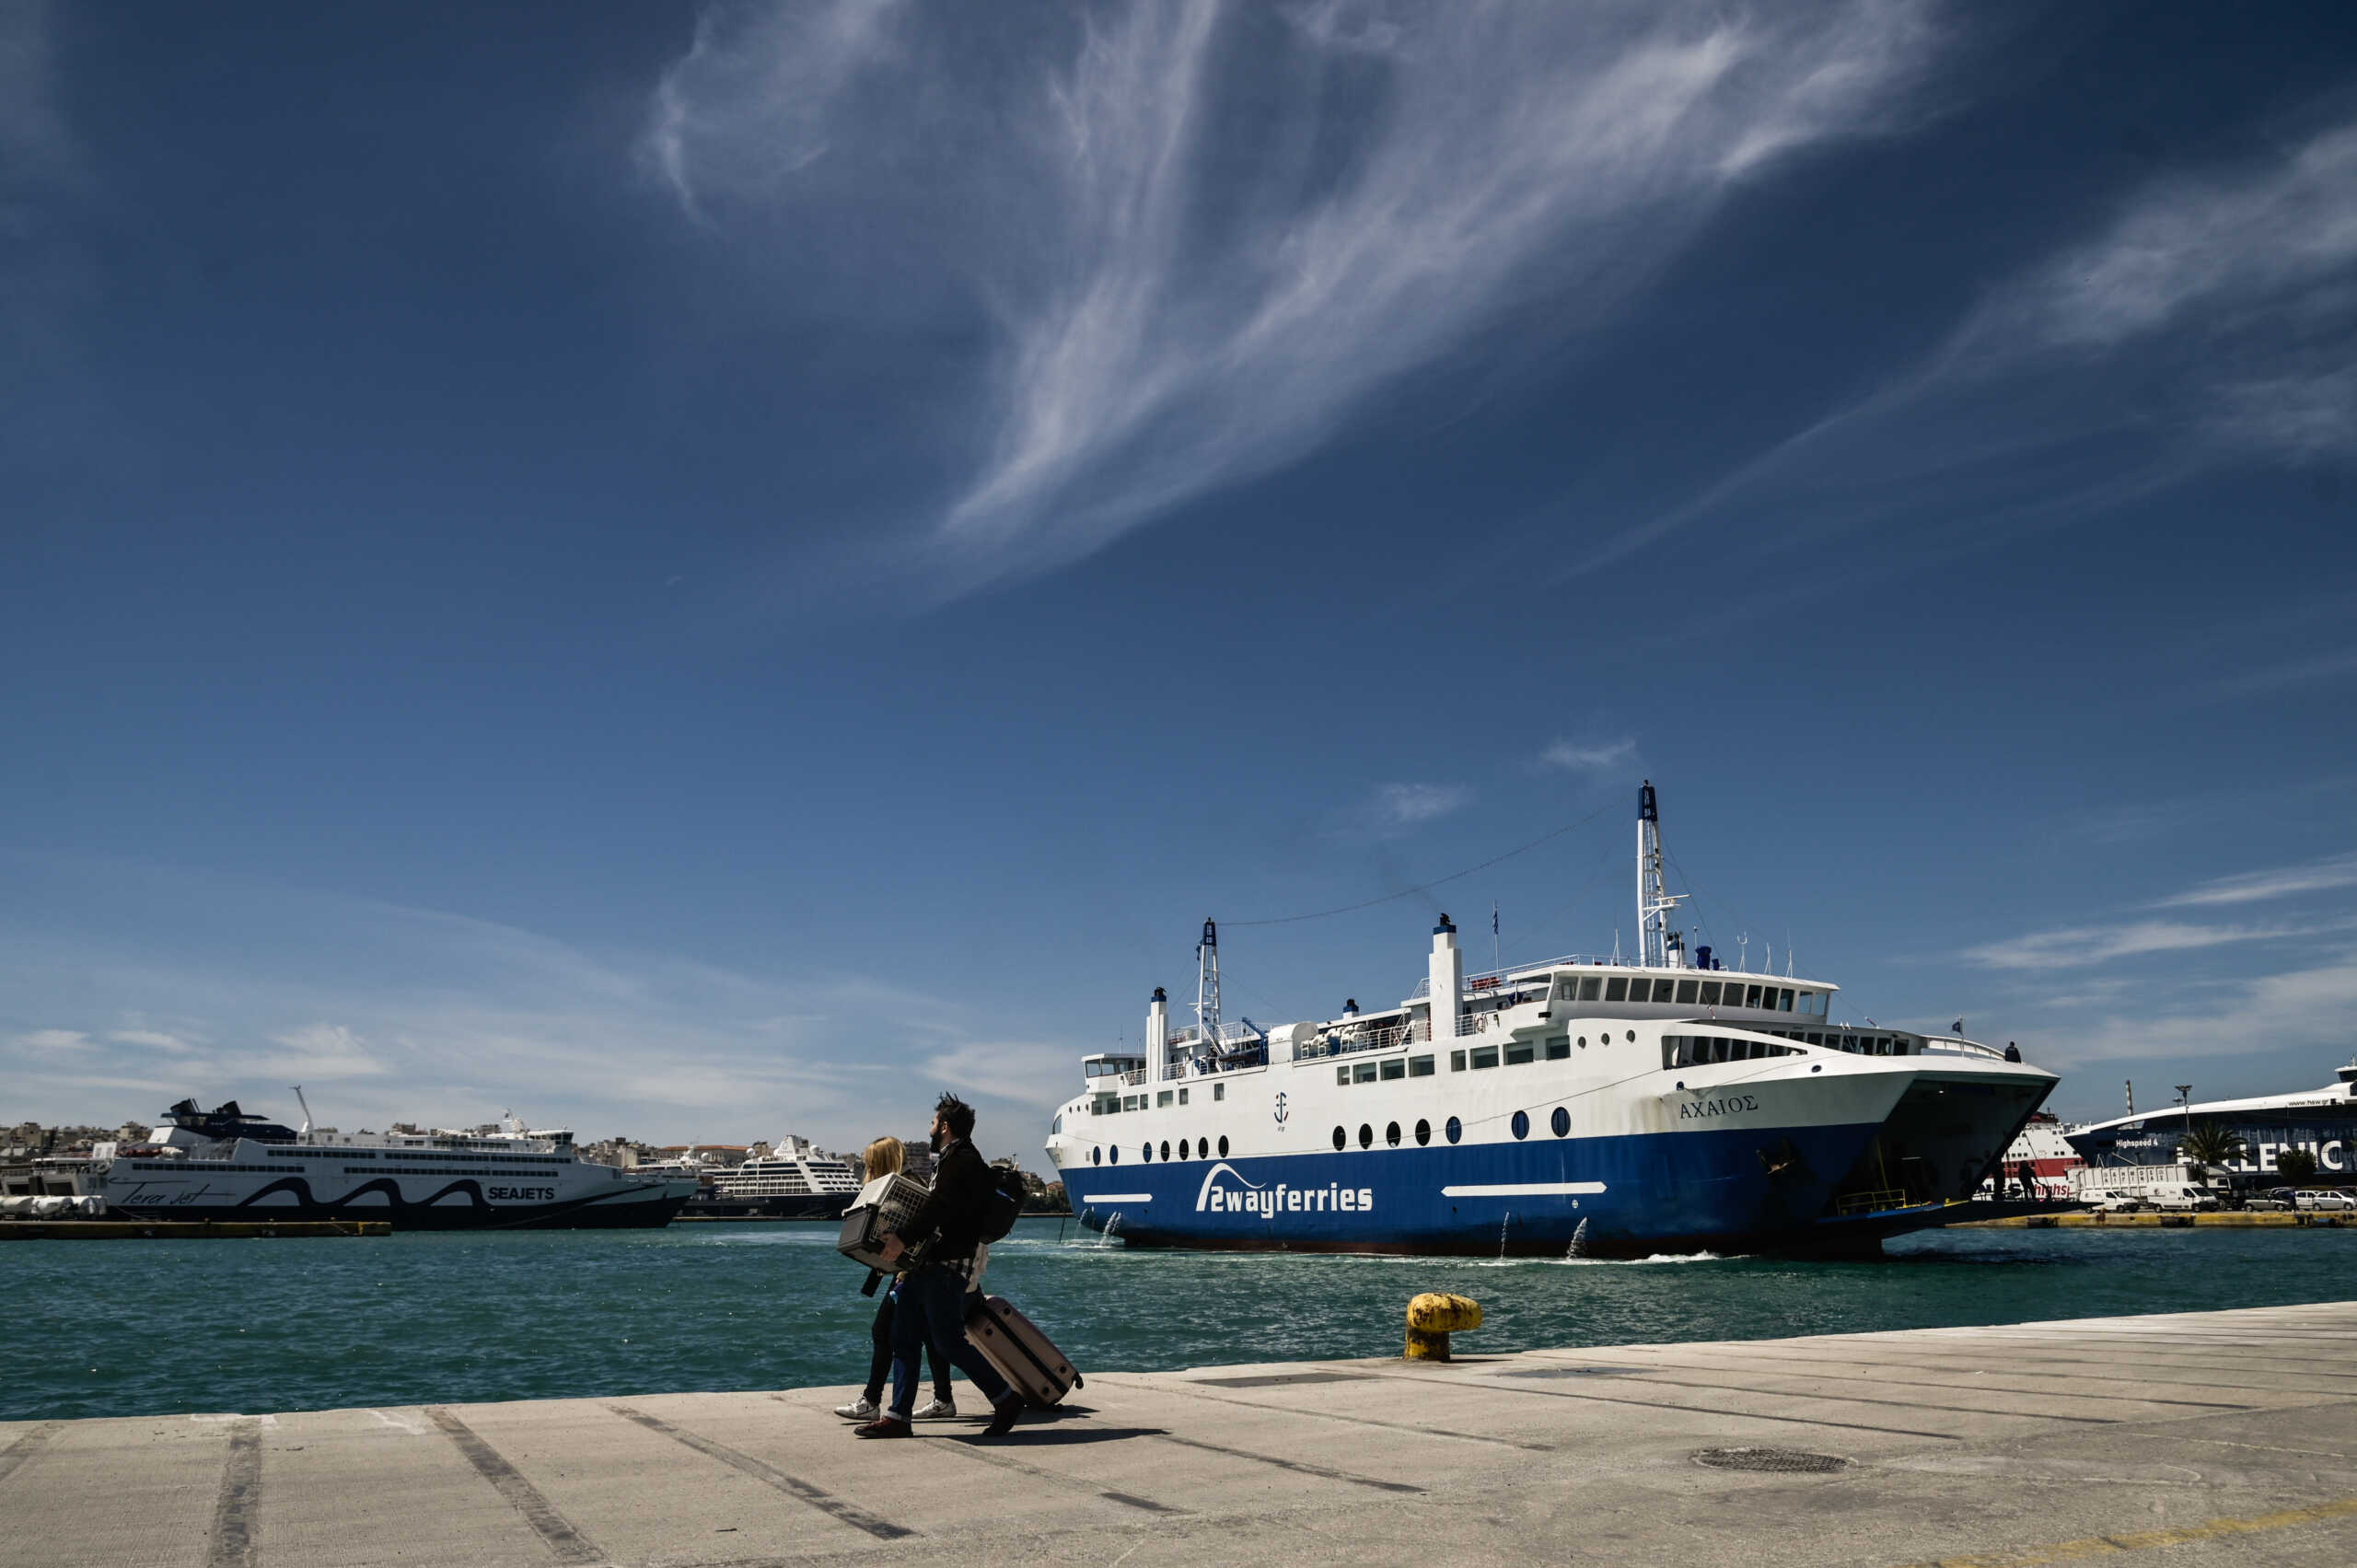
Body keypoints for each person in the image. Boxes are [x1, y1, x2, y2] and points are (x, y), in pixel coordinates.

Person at [853, 1093, 1025, 1439]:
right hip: (928, 1264)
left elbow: (937, 1209)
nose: (930, 1129)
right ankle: (898, 1417)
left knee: (948, 1342)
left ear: (944, 1127)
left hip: (947, 1265)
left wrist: (901, 1237)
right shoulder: (953, 1159)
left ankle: (1006, 1399)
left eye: (933, 1123)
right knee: (903, 1336)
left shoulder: (962, 1161)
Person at [833, 1136, 957, 1423]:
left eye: (872, 1162)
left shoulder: (899, 1188)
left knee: (883, 1332)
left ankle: (872, 1401)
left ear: (884, 1162)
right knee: (929, 1336)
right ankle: (943, 1398)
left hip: (911, 1273)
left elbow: (895, 1227)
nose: (868, 1166)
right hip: (918, 1271)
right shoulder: (909, 1183)